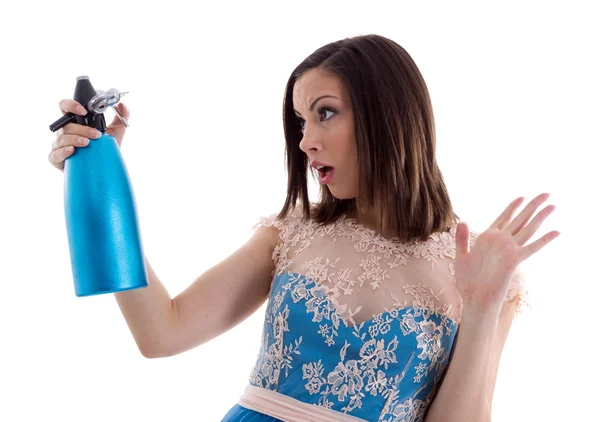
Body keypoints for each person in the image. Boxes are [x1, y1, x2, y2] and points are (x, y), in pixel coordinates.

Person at [48, 34, 559, 422]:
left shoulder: (485, 269)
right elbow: (161, 333)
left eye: (325, 114)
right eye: (299, 122)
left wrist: (485, 305)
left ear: (390, 116)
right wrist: (101, 184)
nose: (305, 142)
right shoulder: (292, 233)